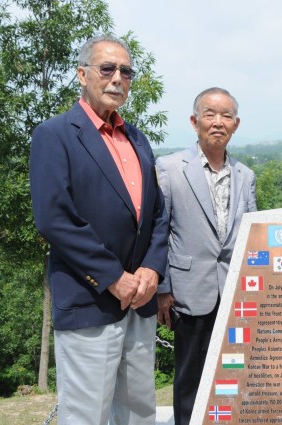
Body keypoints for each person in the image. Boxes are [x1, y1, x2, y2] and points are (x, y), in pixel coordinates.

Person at [30, 34, 168, 424]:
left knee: (139, 411)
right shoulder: (54, 135)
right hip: (89, 302)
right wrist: (112, 277)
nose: (117, 78)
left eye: (126, 71)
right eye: (107, 68)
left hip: (139, 303)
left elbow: (157, 213)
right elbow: (54, 219)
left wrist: (152, 270)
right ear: (82, 74)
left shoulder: (138, 139)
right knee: (86, 415)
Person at [155, 87, 257, 425]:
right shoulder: (170, 168)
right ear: (194, 121)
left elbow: (251, 236)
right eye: (210, 114)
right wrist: (163, 289)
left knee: (234, 376)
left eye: (226, 115)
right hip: (188, 291)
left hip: (235, 294)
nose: (218, 122)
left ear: (236, 124)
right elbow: (160, 232)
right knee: (190, 380)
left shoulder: (245, 176)